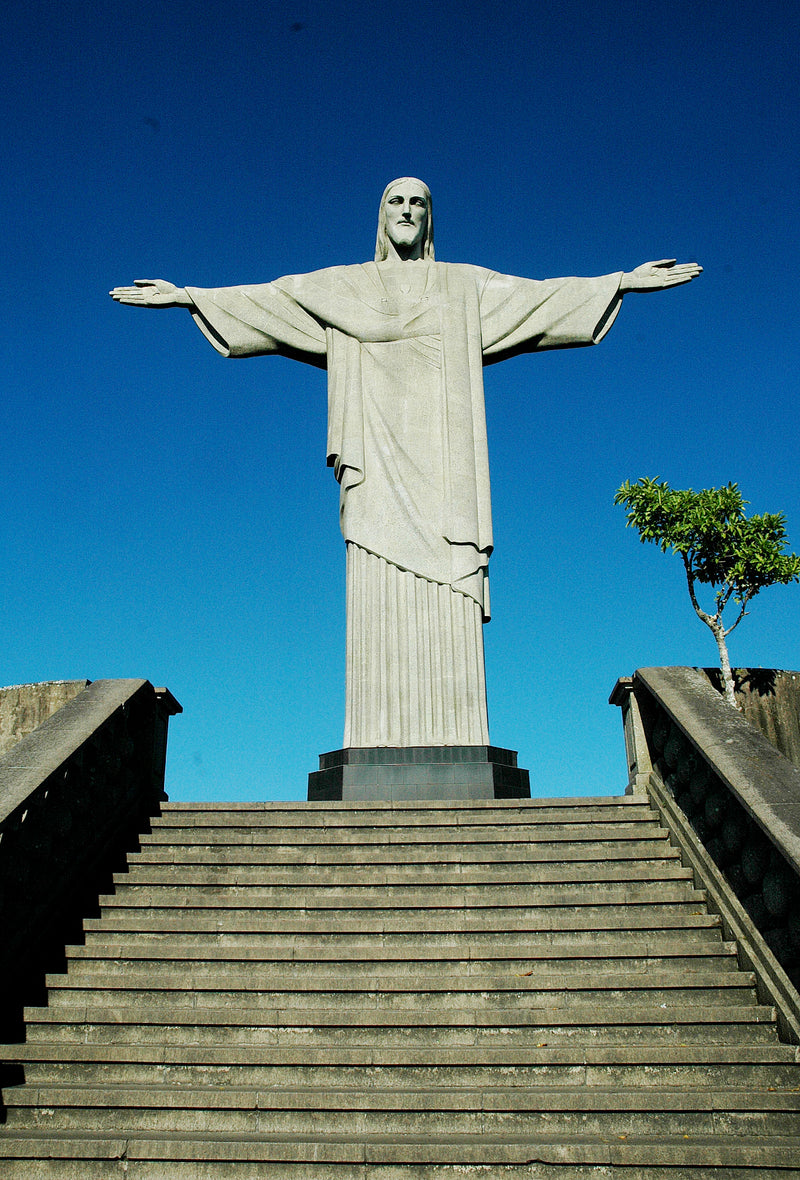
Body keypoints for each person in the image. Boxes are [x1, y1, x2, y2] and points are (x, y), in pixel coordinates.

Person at [111, 178, 701, 749]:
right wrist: (188, 296)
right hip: (375, 462)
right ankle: (374, 736)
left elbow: (540, 298)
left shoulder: (463, 286)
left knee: (450, 577)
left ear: (430, 217)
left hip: (446, 465)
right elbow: (272, 299)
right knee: (375, 578)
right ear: (381, 214)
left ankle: (458, 734)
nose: (407, 210)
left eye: (419, 202)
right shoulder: (343, 287)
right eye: (396, 200)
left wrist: (620, 282)